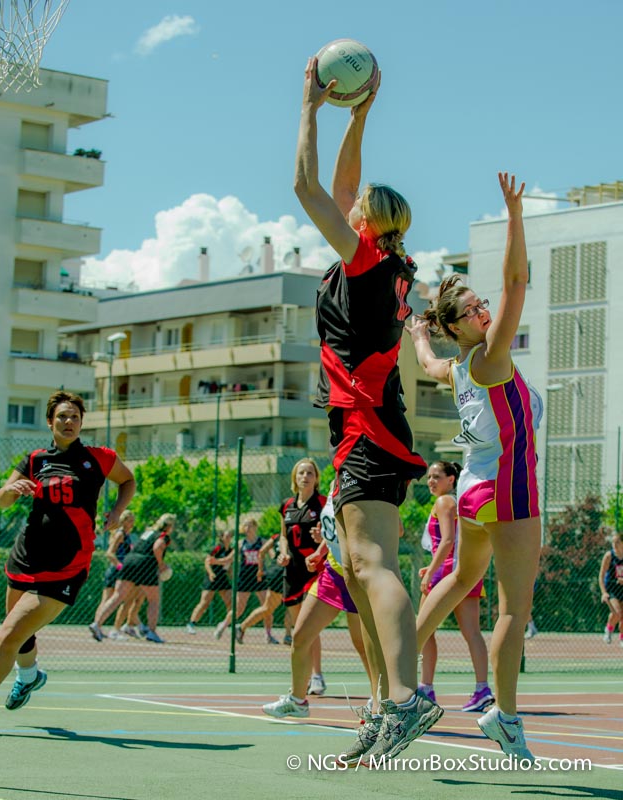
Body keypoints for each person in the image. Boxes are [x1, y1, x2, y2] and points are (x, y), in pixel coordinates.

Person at [294, 57, 439, 764]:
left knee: (373, 563)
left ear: (366, 223)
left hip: (368, 428)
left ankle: (407, 699)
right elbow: (346, 188)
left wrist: (308, 107)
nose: (345, 203)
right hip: (366, 428)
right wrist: (358, 115)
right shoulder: (384, 263)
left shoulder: (366, 263)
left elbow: (308, 187)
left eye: (355, 206)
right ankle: (387, 703)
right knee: (356, 568)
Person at [408, 173, 543, 762]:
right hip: (509, 485)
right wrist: (515, 215)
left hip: (472, 488)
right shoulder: (489, 359)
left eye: (480, 304)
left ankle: (396, 670)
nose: (484, 310)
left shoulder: (459, 368)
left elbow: (428, 363)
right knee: (513, 608)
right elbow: (517, 281)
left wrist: (419, 335)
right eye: (472, 309)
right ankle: (505, 717)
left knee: (462, 581)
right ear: (458, 326)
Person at [0, 390, 135, 710]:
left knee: (9, 634)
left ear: (81, 423)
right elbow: (2, 500)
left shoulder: (99, 457)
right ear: (50, 422)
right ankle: (29, 676)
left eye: (75, 417)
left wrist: (117, 511)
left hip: (66, 565)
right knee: (19, 632)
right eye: (62, 416)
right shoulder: (35, 459)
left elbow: (128, 481)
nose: (69, 421)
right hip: (26, 557)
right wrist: (11, 489)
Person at [263, 481, 388, 768]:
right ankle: (298, 700)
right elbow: (338, 527)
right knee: (300, 636)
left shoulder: (366, 483)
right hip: (332, 571)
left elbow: (393, 529)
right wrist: (321, 550)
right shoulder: (336, 485)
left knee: (364, 645)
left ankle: (379, 706)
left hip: (358, 574)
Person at [418, 461, 494, 712]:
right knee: (472, 633)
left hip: (447, 573)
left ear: (451, 479)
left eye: (436, 476)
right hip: (466, 570)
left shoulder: (444, 502)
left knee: (424, 629)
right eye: (429, 477)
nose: (431, 481)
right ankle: (482, 689)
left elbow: (448, 540)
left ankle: (426, 688)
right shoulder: (457, 502)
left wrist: (432, 571)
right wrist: (431, 565)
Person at [276, 458, 327, 694]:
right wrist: (283, 552)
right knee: (299, 629)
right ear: (294, 478)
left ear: (316, 479)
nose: (305, 476)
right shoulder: (286, 506)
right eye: (301, 473)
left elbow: (333, 534)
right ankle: (303, 678)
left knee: (308, 626)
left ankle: (317, 676)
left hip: (314, 570)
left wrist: (321, 540)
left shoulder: (323, 504)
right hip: (293, 570)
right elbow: (283, 536)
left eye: (309, 473)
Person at [90, 513, 175, 644]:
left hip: (130, 561)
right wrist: (161, 564)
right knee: (153, 600)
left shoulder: (148, 533)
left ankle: (97, 624)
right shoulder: (163, 536)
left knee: (118, 596)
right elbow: (157, 547)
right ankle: (151, 632)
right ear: (169, 526)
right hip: (145, 564)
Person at [213, 519, 277, 643]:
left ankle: (268, 634)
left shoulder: (262, 542)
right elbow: (229, 559)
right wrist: (215, 561)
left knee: (267, 607)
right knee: (238, 609)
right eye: (245, 526)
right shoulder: (240, 543)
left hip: (259, 577)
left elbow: (272, 555)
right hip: (245, 578)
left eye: (250, 525)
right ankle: (223, 625)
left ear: (255, 527)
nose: (247, 528)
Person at [233, 531, 292, 644]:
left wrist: (260, 570)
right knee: (270, 608)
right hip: (282, 573)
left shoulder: (277, 536)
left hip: (281, 572)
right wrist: (260, 570)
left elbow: (261, 551)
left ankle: (288, 635)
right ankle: (241, 627)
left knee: (290, 605)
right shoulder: (294, 534)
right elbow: (261, 551)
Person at [92, 509, 138, 640]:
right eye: (130, 520)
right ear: (124, 521)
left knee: (118, 599)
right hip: (116, 571)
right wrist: (120, 566)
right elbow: (110, 553)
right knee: (110, 600)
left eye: (133, 520)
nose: (132, 523)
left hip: (121, 572)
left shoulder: (127, 535)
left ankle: (98, 626)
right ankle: (100, 627)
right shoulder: (120, 534)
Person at [186, 530, 233, 634]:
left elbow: (229, 566)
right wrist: (211, 573)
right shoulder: (217, 548)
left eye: (230, 536)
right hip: (212, 577)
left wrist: (232, 576)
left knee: (231, 601)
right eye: (227, 536)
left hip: (222, 578)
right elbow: (207, 562)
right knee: (204, 603)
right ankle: (191, 624)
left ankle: (228, 624)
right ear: (222, 537)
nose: (229, 538)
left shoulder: (230, 551)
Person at [599, 531, 623, 646]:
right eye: (613, 542)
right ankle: (608, 629)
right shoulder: (609, 556)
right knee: (617, 612)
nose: (614, 544)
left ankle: (622, 638)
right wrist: (603, 592)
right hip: (612, 589)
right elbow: (601, 576)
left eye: (617, 542)